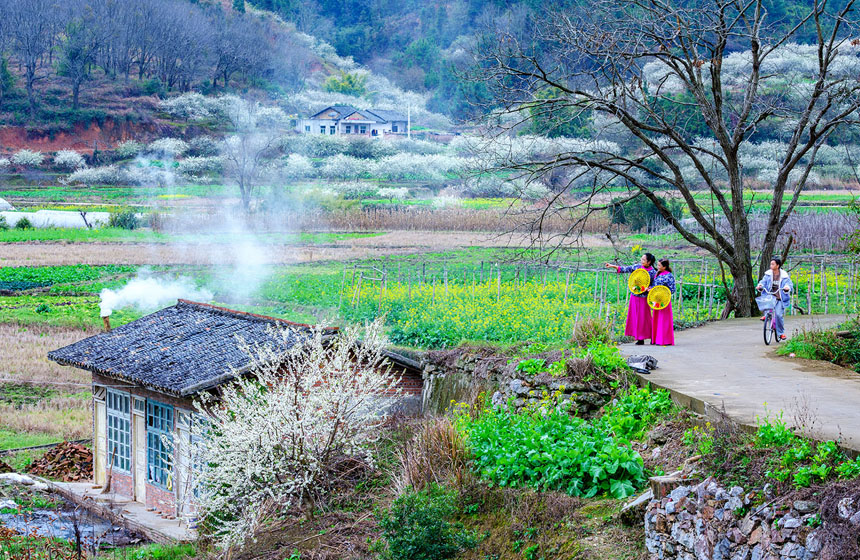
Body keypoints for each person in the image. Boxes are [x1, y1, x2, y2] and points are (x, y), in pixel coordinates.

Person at [605, 252, 656, 345]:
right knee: (635, 317)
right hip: (634, 296)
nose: (641, 261)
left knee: (645, 318)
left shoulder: (652, 272)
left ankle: (652, 336)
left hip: (644, 297)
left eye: (644, 260)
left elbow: (654, 284)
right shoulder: (637, 267)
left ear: (649, 262)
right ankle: (639, 338)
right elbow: (626, 269)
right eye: (641, 259)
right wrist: (613, 266)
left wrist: (650, 288)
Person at [756, 257, 793, 341]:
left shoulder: (784, 275)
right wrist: (760, 286)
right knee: (766, 304)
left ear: (778, 265)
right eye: (770, 264)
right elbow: (763, 281)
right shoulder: (768, 274)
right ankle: (766, 316)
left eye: (773, 264)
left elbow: (789, 284)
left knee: (779, 315)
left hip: (779, 298)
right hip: (770, 296)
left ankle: (781, 333)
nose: (771, 266)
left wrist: (786, 287)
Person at [651, 259, 675, 346]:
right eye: (657, 265)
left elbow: (672, 289)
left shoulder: (669, 276)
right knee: (657, 319)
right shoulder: (658, 274)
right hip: (656, 300)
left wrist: (663, 293)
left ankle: (664, 340)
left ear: (664, 267)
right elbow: (655, 286)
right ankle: (656, 339)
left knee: (664, 320)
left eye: (659, 266)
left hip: (664, 301)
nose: (657, 267)